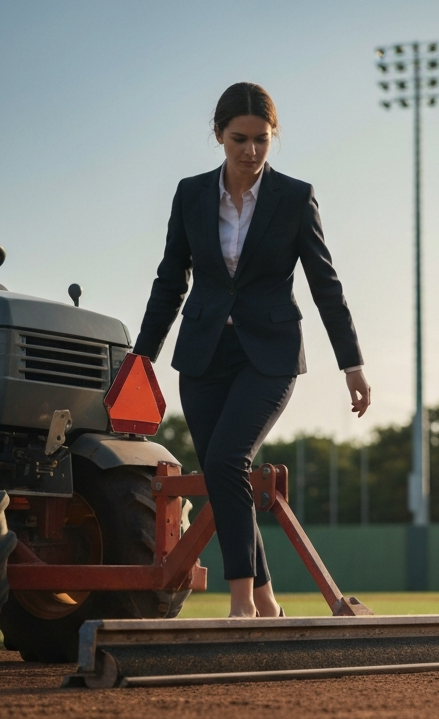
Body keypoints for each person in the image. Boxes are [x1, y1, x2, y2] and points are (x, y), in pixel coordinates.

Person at [135, 82, 370, 618]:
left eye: (262, 139)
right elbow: (170, 280)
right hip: (202, 356)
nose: (251, 150)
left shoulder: (294, 196)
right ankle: (266, 602)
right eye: (239, 139)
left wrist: (351, 364)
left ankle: (240, 602)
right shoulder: (190, 194)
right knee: (224, 475)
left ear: (273, 136)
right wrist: (141, 356)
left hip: (271, 355)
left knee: (225, 459)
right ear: (218, 135)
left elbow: (325, 285)